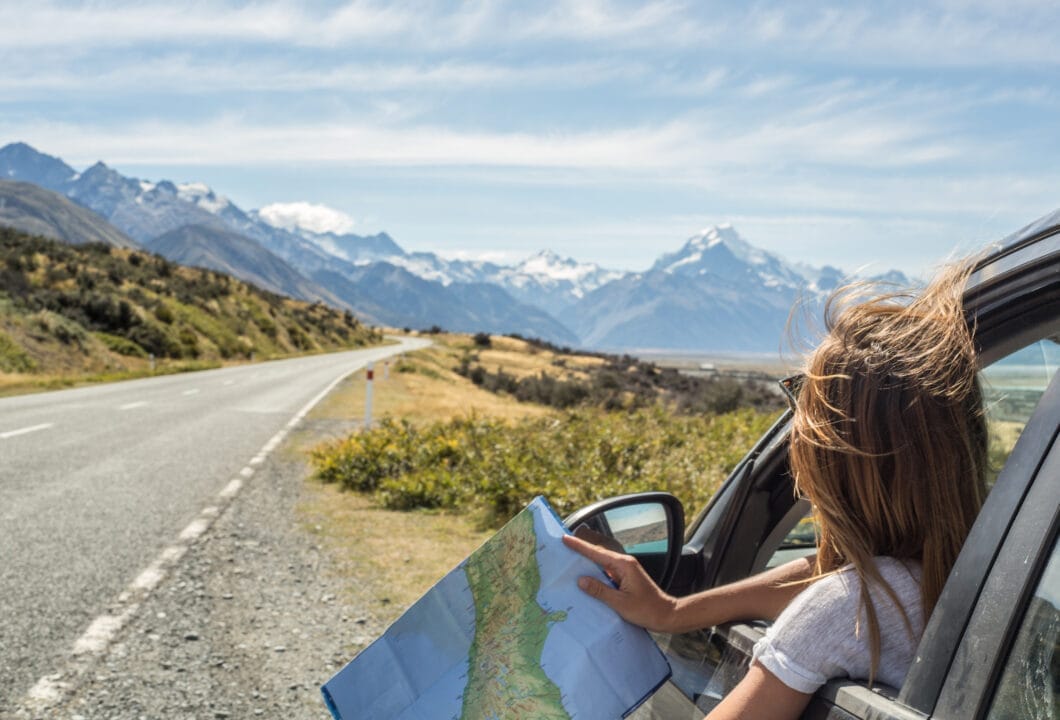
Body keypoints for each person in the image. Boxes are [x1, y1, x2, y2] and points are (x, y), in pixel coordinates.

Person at [563, 261, 989, 720]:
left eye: (801, 415)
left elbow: (836, 594)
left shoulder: (848, 608)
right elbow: (821, 575)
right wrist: (671, 612)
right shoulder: (971, 579)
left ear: (832, 461)